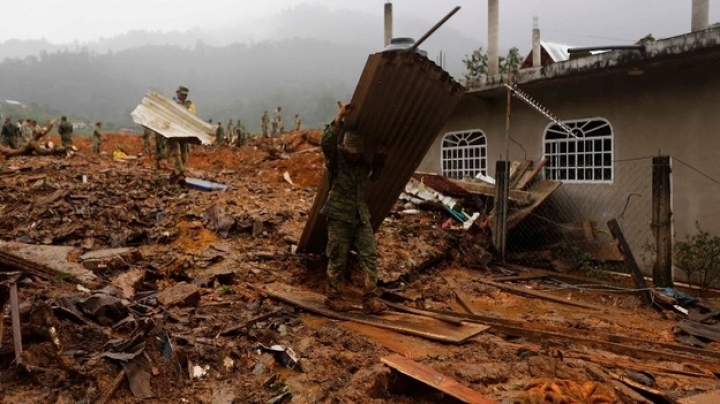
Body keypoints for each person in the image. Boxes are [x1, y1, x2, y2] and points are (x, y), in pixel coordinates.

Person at [320, 102, 388, 314]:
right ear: (344, 147)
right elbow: (326, 141)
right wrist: (340, 116)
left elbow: (375, 176)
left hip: (360, 217)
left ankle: (369, 299)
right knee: (337, 257)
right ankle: (333, 297)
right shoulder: (336, 160)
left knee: (370, 255)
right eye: (350, 152)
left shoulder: (361, 165)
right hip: (339, 216)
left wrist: (380, 156)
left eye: (356, 153)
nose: (353, 156)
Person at [166, 85, 196, 182]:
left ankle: (174, 174)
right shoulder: (171, 102)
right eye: (182, 94)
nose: (183, 96)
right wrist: (175, 106)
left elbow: (192, 113)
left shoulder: (189, 104)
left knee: (184, 156)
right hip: (173, 133)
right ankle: (180, 174)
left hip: (183, 134)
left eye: (185, 95)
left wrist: (182, 108)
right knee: (176, 152)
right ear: (177, 92)